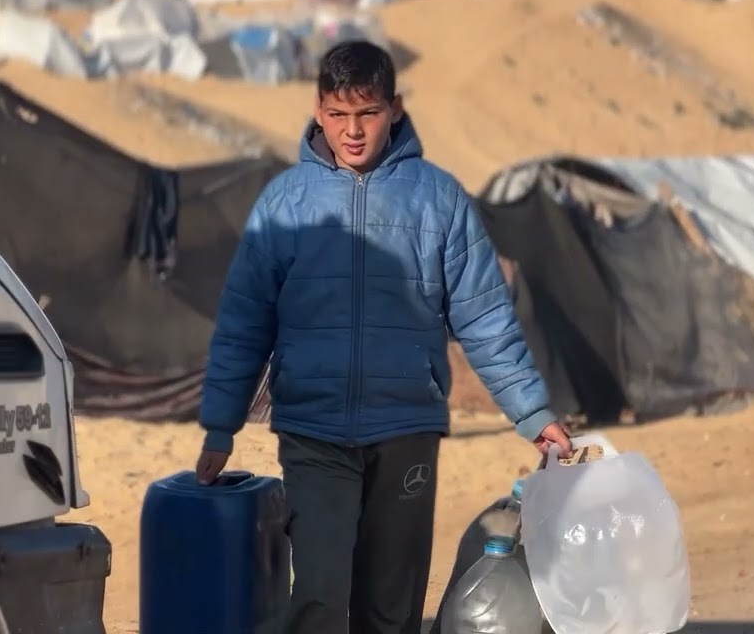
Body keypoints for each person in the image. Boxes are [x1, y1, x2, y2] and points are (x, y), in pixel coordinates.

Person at [194, 40, 571, 634]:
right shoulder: (286, 205)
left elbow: (485, 318)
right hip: (314, 433)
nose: (352, 131)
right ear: (319, 110)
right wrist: (221, 424)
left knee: (390, 607)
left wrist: (532, 412)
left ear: (394, 109)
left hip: (406, 435)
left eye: (367, 113)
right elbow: (244, 321)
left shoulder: (439, 200)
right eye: (339, 114)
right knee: (318, 596)